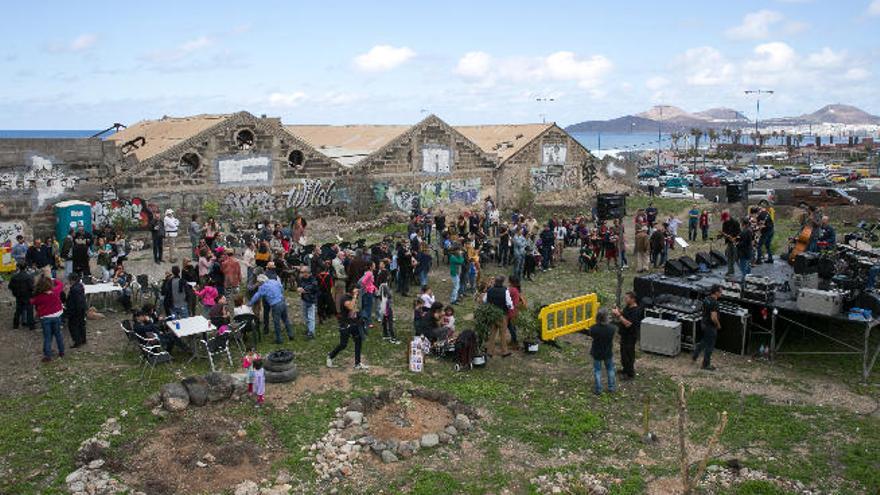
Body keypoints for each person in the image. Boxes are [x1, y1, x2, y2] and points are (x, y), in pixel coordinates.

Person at [327, 288, 367, 369]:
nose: (357, 292)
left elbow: (355, 308)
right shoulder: (344, 298)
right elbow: (351, 307)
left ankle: (357, 363)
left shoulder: (353, 297)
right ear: (351, 290)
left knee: (358, 341)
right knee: (343, 344)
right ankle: (330, 356)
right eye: (356, 290)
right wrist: (355, 296)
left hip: (354, 323)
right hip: (345, 325)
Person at [249, 274, 294, 343]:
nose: (258, 284)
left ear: (261, 282)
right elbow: (281, 288)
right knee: (286, 319)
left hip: (275, 305)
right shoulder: (274, 281)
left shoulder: (263, 287)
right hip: (282, 301)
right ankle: (291, 335)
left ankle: (279, 339)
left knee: (277, 322)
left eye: (259, 282)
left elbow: (257, 296)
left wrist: (249, 304)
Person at [31, 275, 65, 362]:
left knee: (47, 337)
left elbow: (32, 302)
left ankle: (48, 355)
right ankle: (61, 352)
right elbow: (60, 284)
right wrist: (52, 278)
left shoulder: (39, 296)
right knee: (58, 335)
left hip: (45, 318)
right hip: (57, 316)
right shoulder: (55, 291)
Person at [612, 292, 641, 380]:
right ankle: (625, 369)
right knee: (623, 353)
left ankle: (630, 374)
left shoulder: (635, 311)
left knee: (629, 354)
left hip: (630, 336)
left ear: (633, 299)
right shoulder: (628, 307)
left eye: (627, 298)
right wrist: (619, 311)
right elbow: (625, 315)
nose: (625, 299)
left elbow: (628, 324)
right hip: (624, 335)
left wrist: (618, 315)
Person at [587, 308, 616, 395]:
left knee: (597, 371)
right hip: (608, 352)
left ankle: (598, 389)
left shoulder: (593, 328)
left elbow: (591, 335)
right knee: (610, 369)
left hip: (597, 352)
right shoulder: (612, 328)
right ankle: (611, 387)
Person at [483, 275, 513, 358]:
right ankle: (504, 351)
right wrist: (510, 308)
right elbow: (509, 304)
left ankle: (489, 351)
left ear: (495, 282)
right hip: (502, 314)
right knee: (502, 333)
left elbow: (484, 300)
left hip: (492, 314)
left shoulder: (490, 290)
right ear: (502, 282)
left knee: (492, 333)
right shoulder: (505, 291)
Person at [693, 284, 722, 370]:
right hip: (710, 326)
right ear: (716, 292)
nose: (721, 293)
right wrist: (718, 324)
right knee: (710, 346)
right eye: (720, 292)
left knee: (705, 340)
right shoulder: (715, 303)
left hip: (704, 323)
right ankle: (705, 365)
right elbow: (713, 317)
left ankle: (695, 354)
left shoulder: (706, 299)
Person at [8, 263, 35, 330]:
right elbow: (31, 287)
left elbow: (10, 286)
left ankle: (15, 325)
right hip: (27, 295)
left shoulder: (14, 277)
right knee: (29, 310)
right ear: (26, 268)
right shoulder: (29, 277)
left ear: (18, 268)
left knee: (18, 310)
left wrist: (15, 292)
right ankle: (31, 326)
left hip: (18, 295)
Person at [66, 272, 87, 348]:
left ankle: (77, 341)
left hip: (75, 310)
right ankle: (83, 339)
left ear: (72, 280)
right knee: (81, 324)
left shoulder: (74, 289)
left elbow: (74, 301)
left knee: (73, 326)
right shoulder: (80, 286)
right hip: (82, 308)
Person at [297, 266, 318, 339]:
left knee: (311, 317)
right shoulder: (302, 279)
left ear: (307, 273)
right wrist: (299, 288)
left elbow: (314, 287)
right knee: (305, 316)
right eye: (301, 272)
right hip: (304, 299)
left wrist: (304, 289)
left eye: (302, 272)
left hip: (311, 300)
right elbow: (300, 286)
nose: (301, 274)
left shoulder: (313, 279)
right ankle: (309, 329)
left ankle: (311, 333)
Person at [720, 210, 740, 277]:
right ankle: (730, 271)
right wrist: (721, 235)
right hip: (729, 242)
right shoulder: (724, 223)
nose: (724, 221)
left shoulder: (735, 222)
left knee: (736, 257)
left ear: (728, 217)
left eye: (724, 219)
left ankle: (744, 272)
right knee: (729, 256)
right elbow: (724, 231)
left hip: (735, 242)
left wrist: (732, 236)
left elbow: (739, 232)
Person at [378, 276, 398, 344]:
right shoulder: (385, 286)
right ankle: (392, 337)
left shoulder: (381, 286)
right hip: (387, 307)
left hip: (382, 307)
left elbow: (379, 296)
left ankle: (385, 334)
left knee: (384, 321)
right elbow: (389, 295)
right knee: (390, 322)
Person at [736, 217, 753, 283]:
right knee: (748, 267)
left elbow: (744, 243)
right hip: (748, 251)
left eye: (741, 223)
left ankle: (744, 283)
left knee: (743, 269)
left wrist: (737, 244)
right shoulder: (749, 230)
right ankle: (749, 280)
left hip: (744, 252)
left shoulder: (745, 232)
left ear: (743, 224)